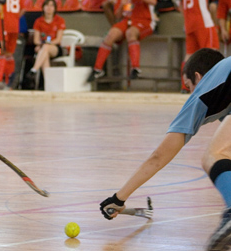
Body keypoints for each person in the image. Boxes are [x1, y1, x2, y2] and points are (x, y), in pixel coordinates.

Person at [98, 48, 231, 251]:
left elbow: (158, 157)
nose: (189, 93)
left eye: (188, 87)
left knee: (214, 156)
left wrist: (118, 198)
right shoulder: (225, 89)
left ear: (198, 77)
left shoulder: (203, 92)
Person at [88, 0, 157, 82]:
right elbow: (118, 15)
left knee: (131, 33)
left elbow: (153, 2)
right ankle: (98, 70)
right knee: (111, 34)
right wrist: (121, 5)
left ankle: (136, 69)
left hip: (144, 21)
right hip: (127, 20)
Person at [25, 0, 65, 90]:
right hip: (43, 48)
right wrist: (43, 44)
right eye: (47, 5)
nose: (49, 8)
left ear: (55, 8)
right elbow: (36, 40)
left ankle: (34, 70)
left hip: (55, 48)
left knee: (45, 48)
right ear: (43, 7)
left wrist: (47, 43)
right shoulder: (38, 21)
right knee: (44, 53)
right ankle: (47, 84)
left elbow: (58, 39)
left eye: (52, 5)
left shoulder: (59, 20)